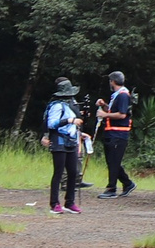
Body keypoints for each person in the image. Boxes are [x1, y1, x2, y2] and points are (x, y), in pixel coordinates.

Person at [41, 78, 85, 214]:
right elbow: (52, 124)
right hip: (59, 140)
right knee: (59, 172)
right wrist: (69, 120)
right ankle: (54, 203)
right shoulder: (56, 106)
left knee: (73, 172)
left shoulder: (71, 104)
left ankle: (69, 202)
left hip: (71, 140)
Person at [95, 71, 136, 199]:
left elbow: (122, 114)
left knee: (114, 161)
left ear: (112, 81)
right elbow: (114, 111)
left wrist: (104, 114)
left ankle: (111, 188)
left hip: (119, 133)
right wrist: (104, 106)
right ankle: (128, 183)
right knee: (112, 161)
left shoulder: (123, 95)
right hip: (111, 132)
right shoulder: (117, 95)